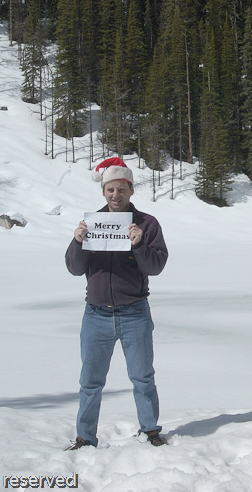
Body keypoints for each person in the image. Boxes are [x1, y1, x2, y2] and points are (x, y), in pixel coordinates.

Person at [65, 157, 169, 450]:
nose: (115, 195)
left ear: (131, 190)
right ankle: (85, 437)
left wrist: (139, 246)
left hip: (134, 313)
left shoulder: (147, 224)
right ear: (104, 192)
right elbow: (74, 268)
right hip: (96, 315)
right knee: (90, 382)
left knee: (142, 377)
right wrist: (78, 241)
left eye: (121, 190)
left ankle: (150, 431)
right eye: (110, 190)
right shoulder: (92, 223)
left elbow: (156, 266)